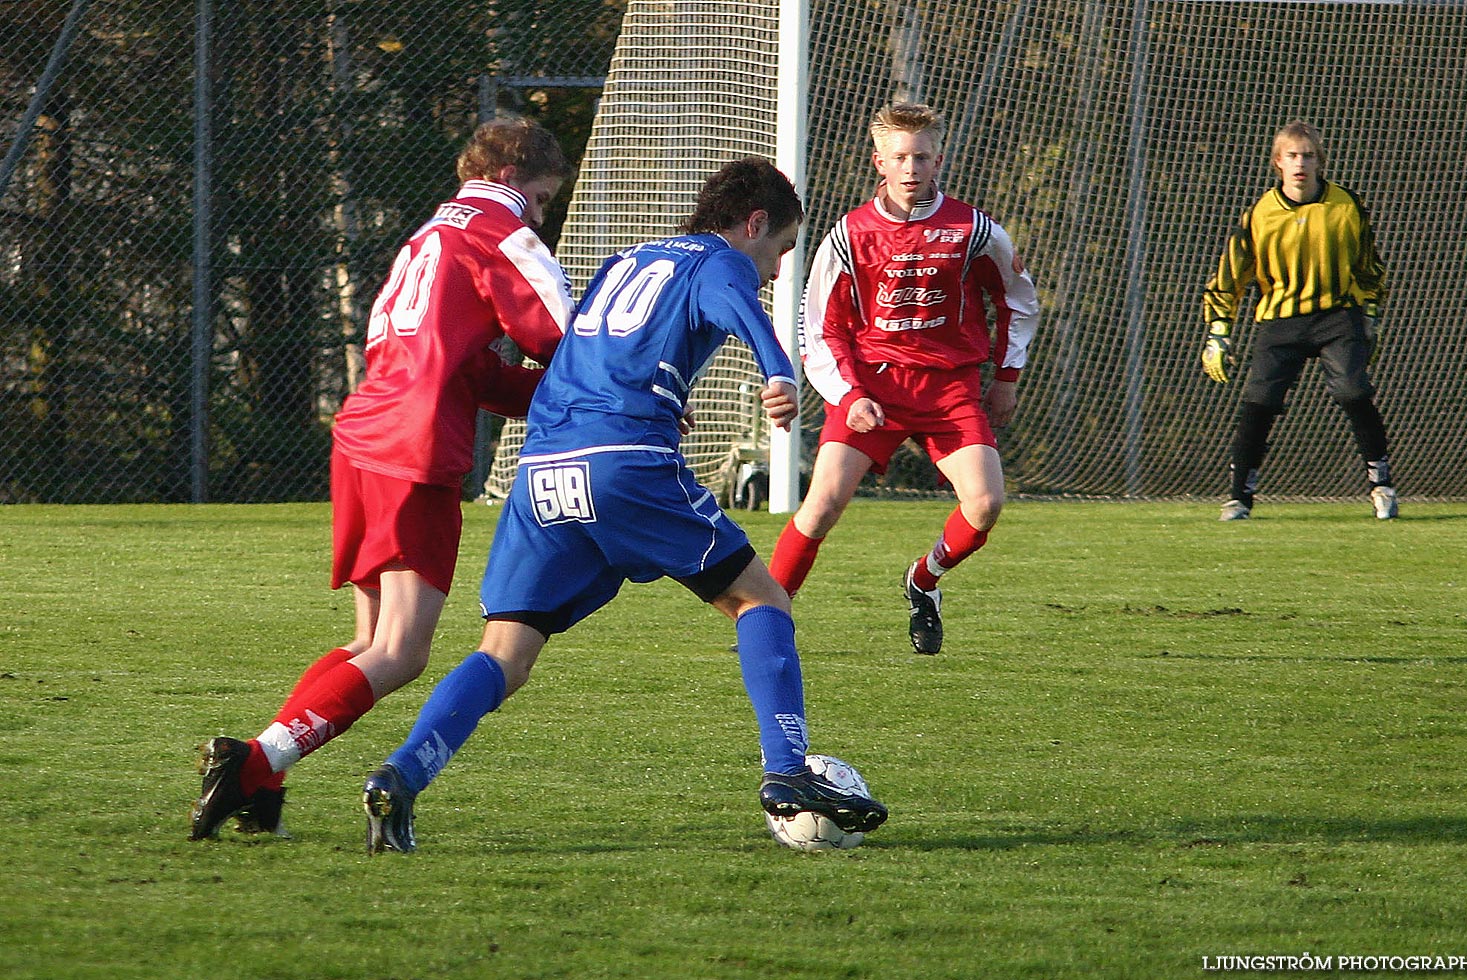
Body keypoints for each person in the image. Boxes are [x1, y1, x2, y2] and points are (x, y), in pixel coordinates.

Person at [360, 158, 888, 854]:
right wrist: (779, 373)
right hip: (624, 464)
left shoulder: (624, 260)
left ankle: (401, 776)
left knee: (506, 653)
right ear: (754, 224)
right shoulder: (719, 258)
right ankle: (786, 772)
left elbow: (582, 352)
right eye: (781, 251)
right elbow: (745, 308)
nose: (774, 270)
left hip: (544, 467)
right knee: (760, 600)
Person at [189, 116, 576, 840]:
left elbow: (470, 367)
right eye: (544, 198)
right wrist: (627, 397)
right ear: (508, 179)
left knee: (370, 641)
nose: (542, 214)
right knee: (403, 651)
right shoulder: (501, 229)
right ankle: (253, 759)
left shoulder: (427, 235)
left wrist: (545, 392)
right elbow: (565, 335)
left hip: (364, 433)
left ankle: (262, 777)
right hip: (415, 447)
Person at [767, 102, 1039, 656]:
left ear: (940, 159)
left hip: (949, 389)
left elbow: (1018, 299)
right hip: (873, 389)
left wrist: (1006, 376)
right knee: (820, 507)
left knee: (985, 505)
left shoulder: (973, 229)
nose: (911, 167)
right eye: (900, 157)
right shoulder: (849, 234)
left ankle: (924, 579)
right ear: (878, 162)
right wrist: (849, 394)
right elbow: (821, 326)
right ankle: (767, 618)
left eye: (921, 156)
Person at [1202, 119, 1396, 521]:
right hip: (1280, 322)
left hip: (1337, 316)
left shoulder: (1346, 205)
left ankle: (1381, 486)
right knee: (1260, 402)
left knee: (1353, 391)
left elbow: (1368, 267)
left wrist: (1371, 318)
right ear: (1278, 162)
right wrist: (1218, 331)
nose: (1300, 163)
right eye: (1292, 155)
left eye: (1308, 155)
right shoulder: (1259, 214)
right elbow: (1231, 274)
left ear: (1320, 161)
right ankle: (1240, 497)